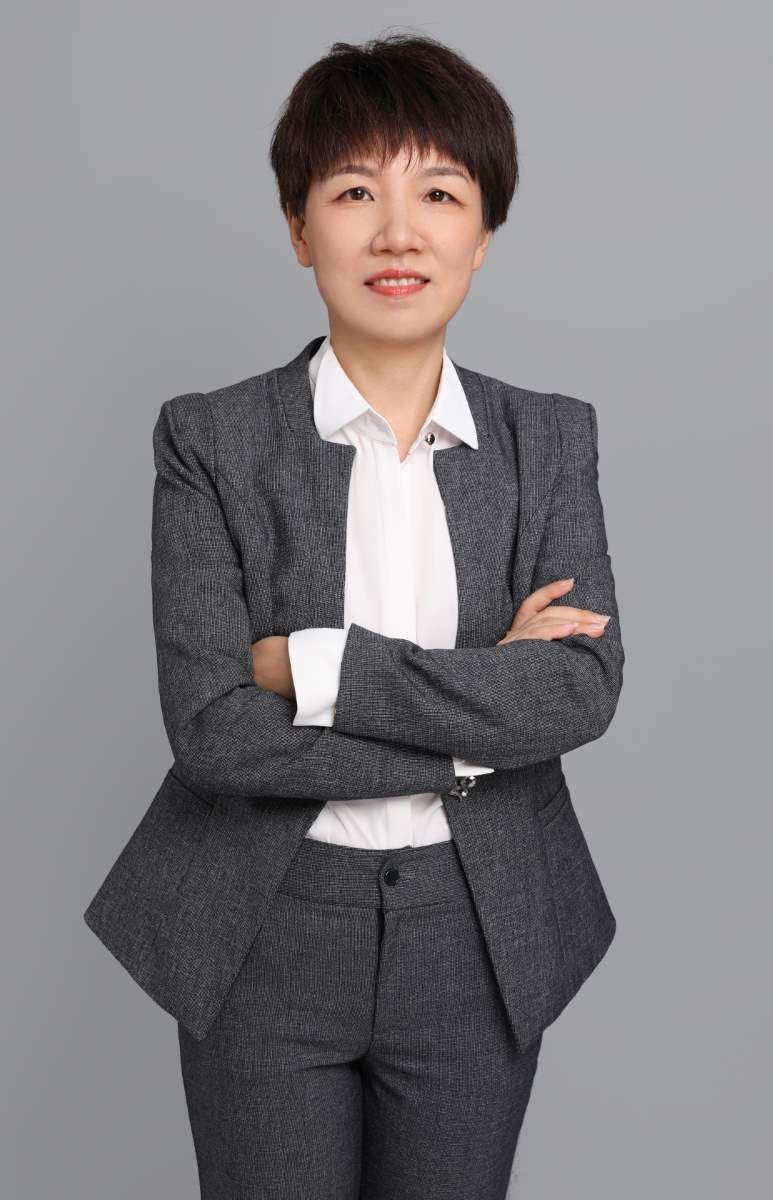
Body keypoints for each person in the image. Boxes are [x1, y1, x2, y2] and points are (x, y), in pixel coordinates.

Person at [83, 31, 624, 1200]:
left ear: (482, 233)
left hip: (481, 928)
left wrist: (314, 667)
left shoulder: (547, 439)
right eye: (353, 193)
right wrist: (474, 723)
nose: (397, 232)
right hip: (263, 927)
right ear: (298, 228)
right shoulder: (211, 440)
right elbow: (215, 733)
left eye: (438, 193)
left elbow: (576, 692)